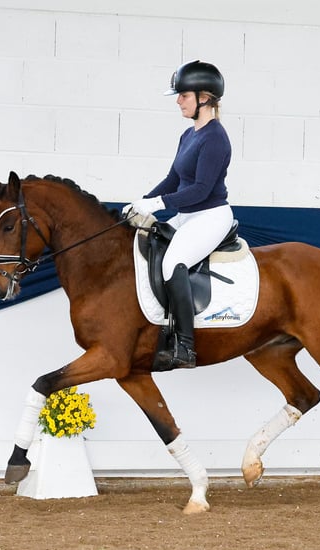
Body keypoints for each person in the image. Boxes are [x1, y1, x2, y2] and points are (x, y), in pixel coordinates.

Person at [123, 60, 234, 369]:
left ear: (205, 98)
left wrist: (157, 204)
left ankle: (185, 346)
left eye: (183, 95)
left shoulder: (216, 138)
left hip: (210, 216)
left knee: (173, 262)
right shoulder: (188, 136)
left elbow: (200, 190)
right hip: (187, 215)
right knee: (146, 245)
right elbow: (173, 180)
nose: (178, 101)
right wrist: (141, 202)